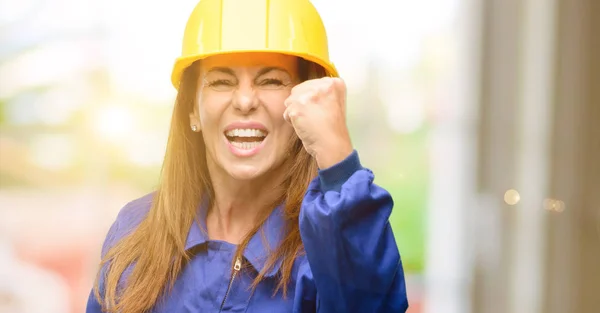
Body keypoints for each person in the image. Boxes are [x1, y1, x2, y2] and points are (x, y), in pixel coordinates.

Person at [86, 0, 409, 312]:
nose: (243, 100)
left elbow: (369, 301)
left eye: (271, 81)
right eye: (221, 81)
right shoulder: (135, 228)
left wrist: (338, 159)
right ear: (192, 111)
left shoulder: (331, 244)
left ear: (304, 105)